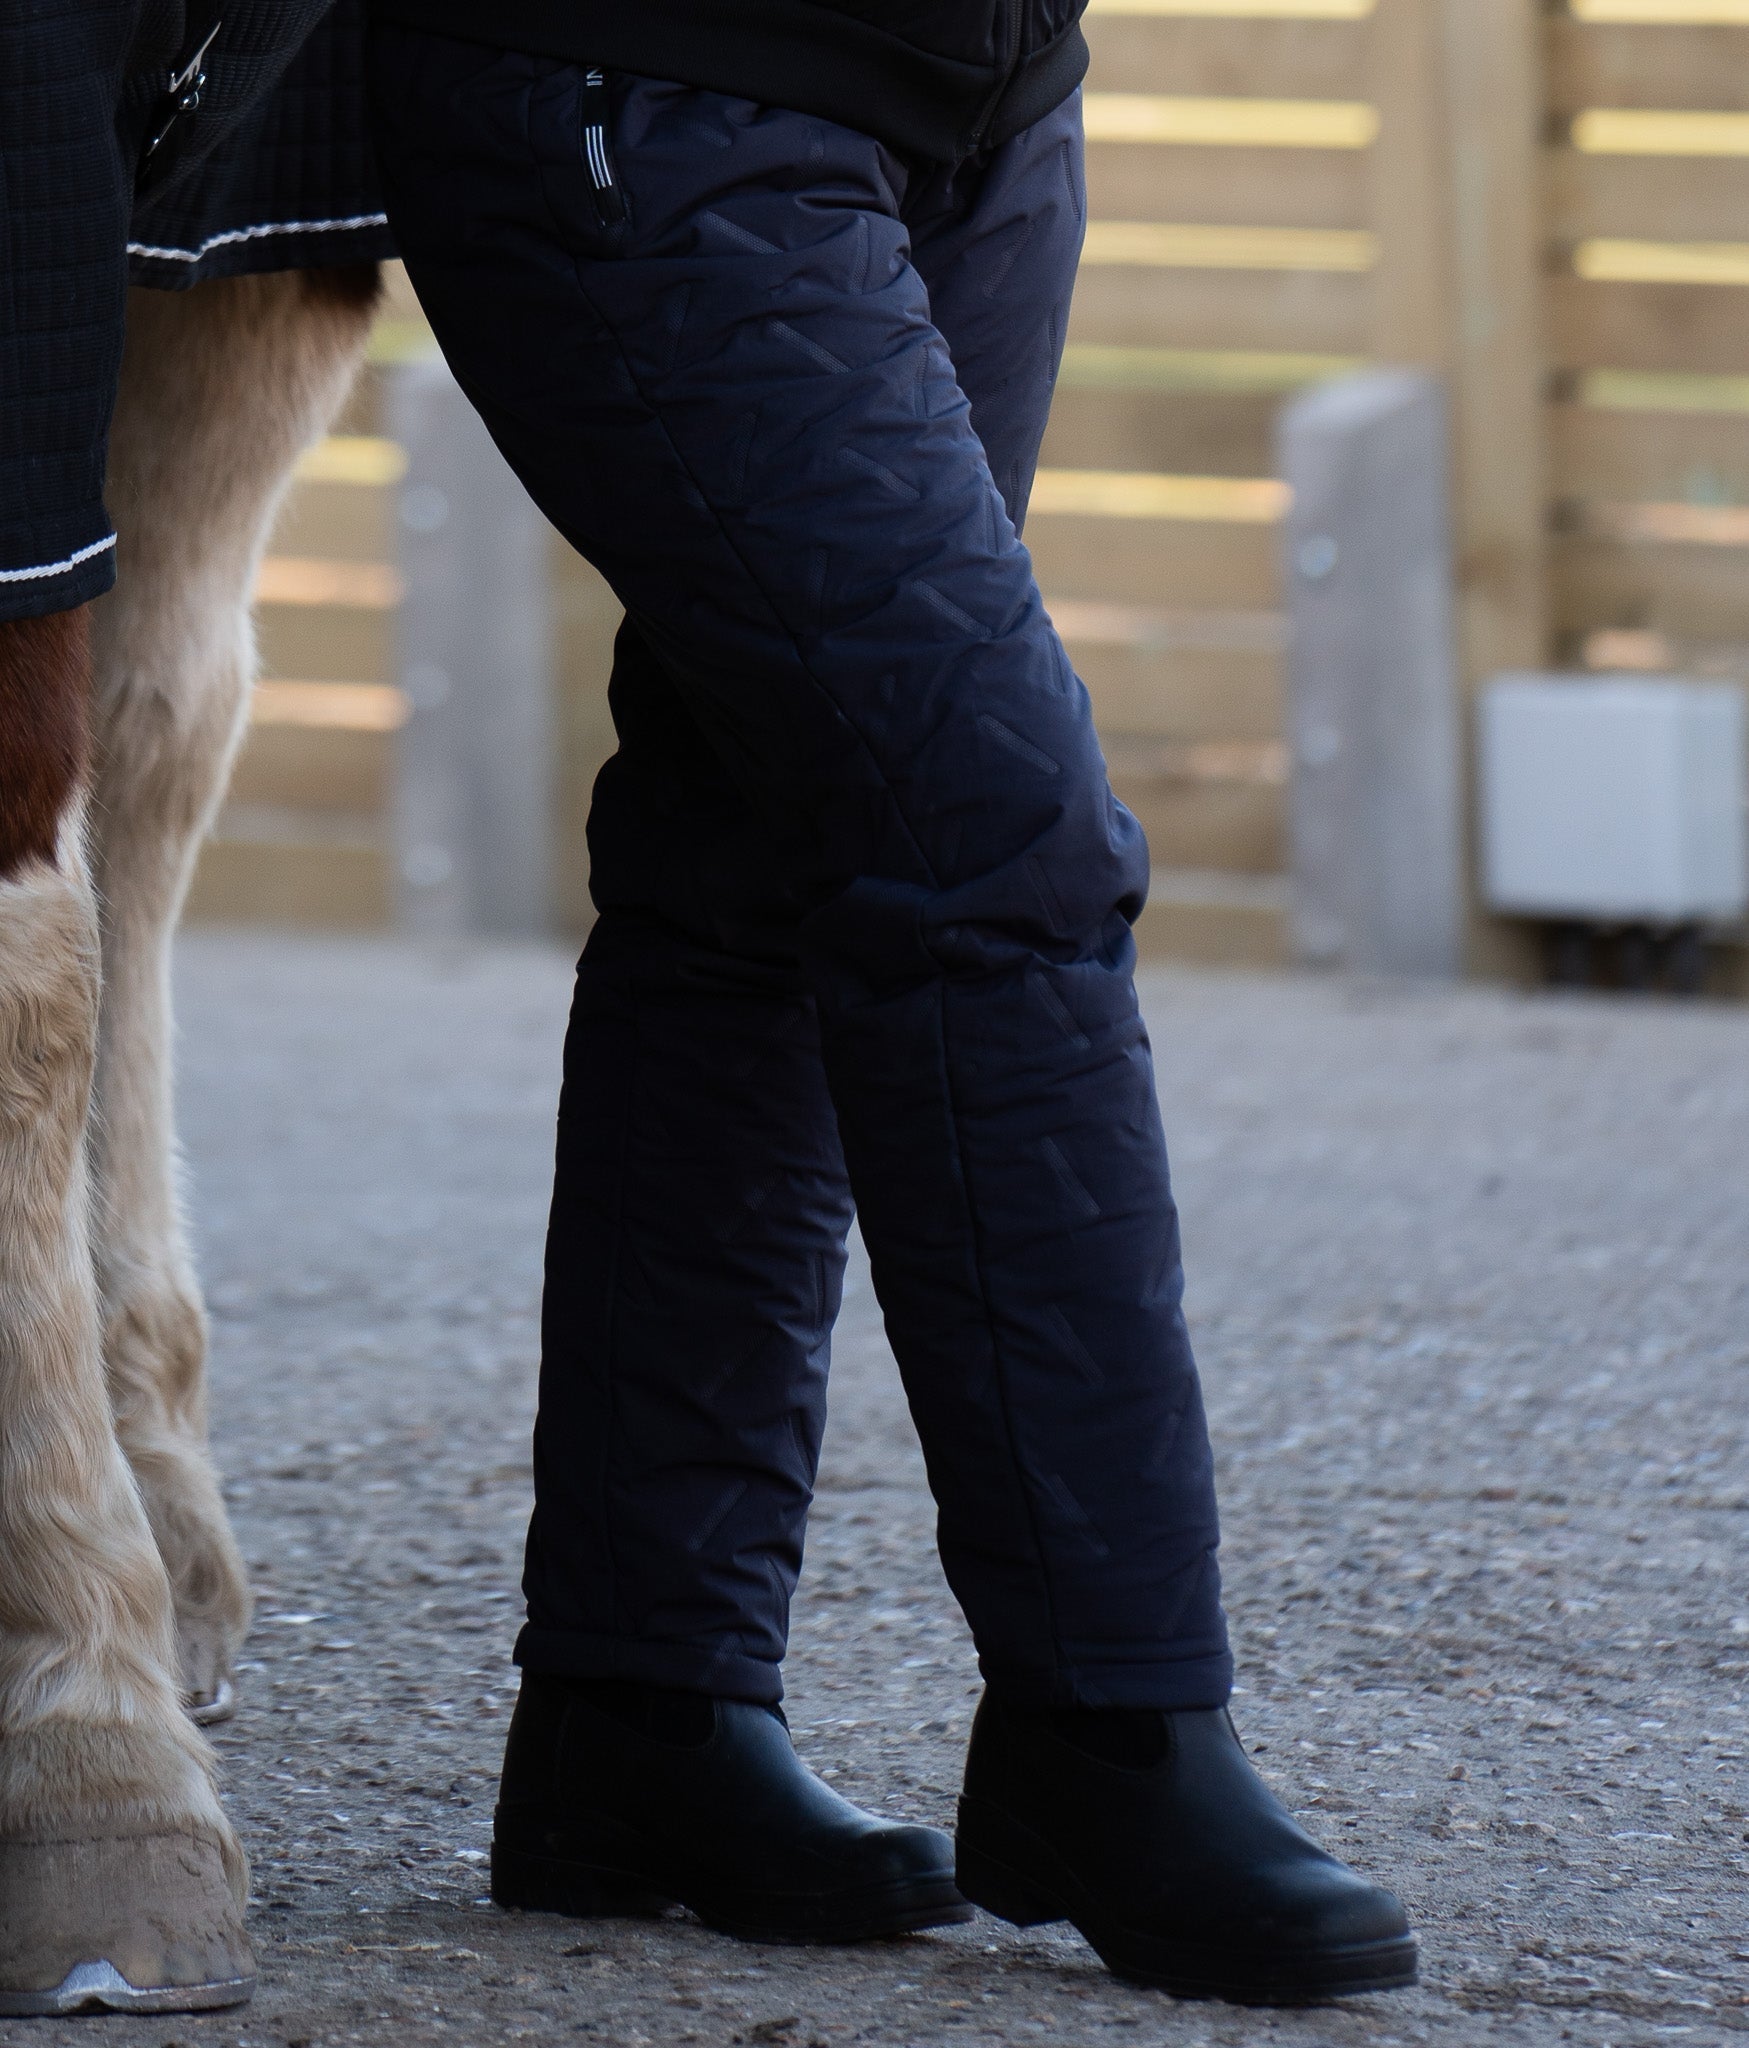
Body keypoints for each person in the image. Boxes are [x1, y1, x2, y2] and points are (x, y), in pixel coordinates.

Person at [362, 1, 1416, 2002]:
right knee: (991, 844)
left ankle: (638, 1708)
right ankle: (1109, 1724)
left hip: (979, 103)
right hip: (644, 83)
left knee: (759, 843)